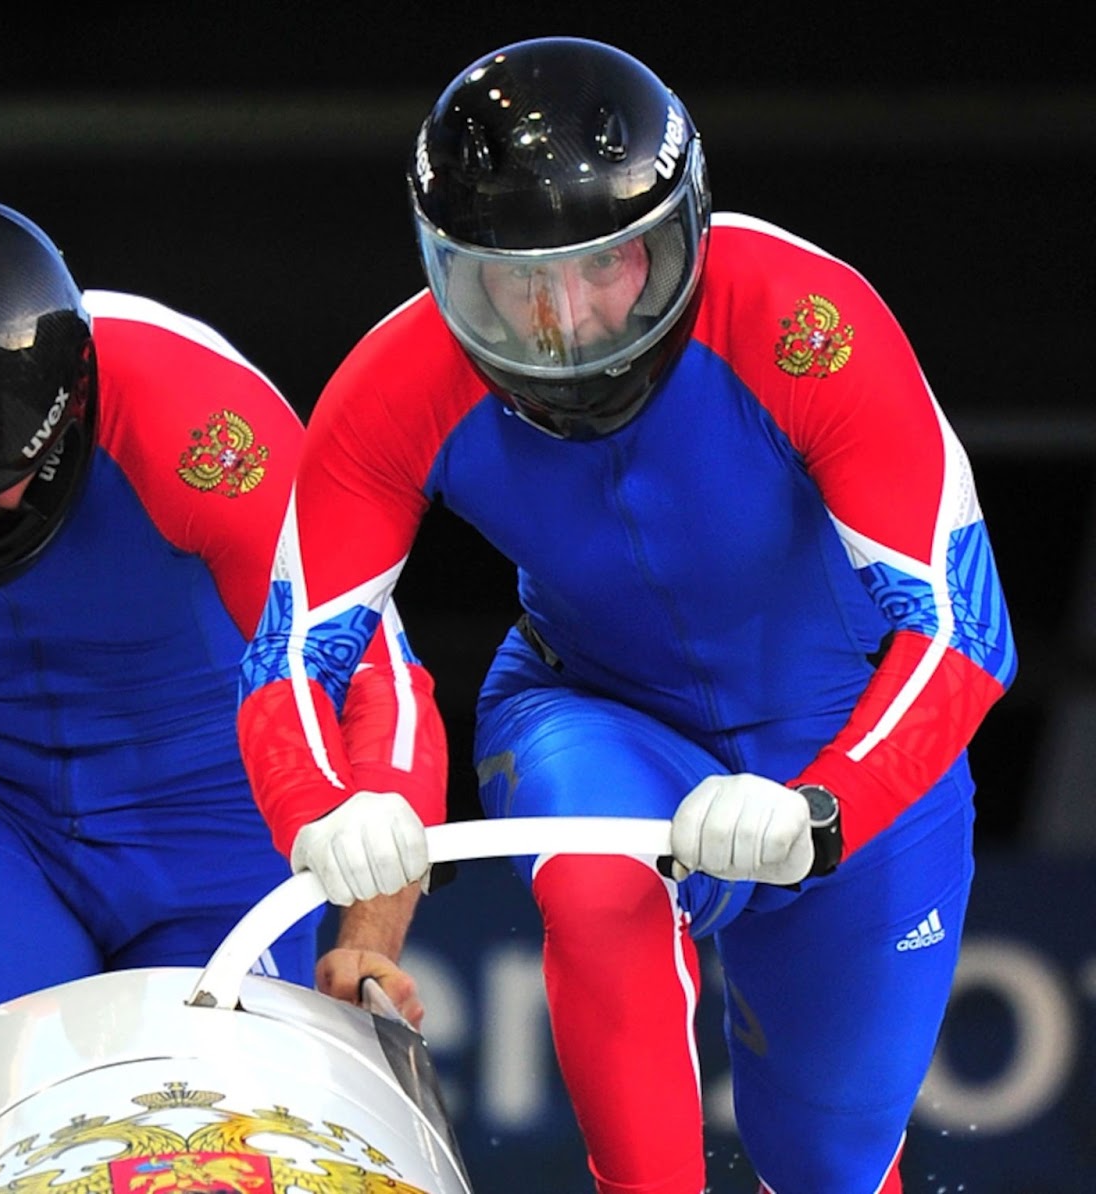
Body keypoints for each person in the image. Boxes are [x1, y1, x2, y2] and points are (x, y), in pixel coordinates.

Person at [237, 38, 1016, 1194]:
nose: (566, 321)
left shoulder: (806, 320)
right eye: (514, 281)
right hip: (596, 712)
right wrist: (320, 805)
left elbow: (963, 629)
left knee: (830, 1163)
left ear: (676, 237)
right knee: (597, 892)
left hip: (847, 743)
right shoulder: (393, 384)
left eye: (605, 265)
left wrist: (829, 799)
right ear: (450, 271)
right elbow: (293, 653)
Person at [0, 194, 447, 1070]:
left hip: (216, 817)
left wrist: (370, 933)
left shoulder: (195, 408)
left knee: (210, 1125)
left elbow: (367, 666)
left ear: (68, 408)